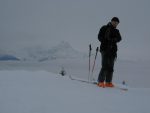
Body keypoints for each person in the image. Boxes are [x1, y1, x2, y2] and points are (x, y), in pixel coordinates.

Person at [97, 17, 122, 88]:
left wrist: (114, 39)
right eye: (115, 22)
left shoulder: (116, 31)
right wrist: (105, 40)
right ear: (111, 21)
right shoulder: (104, 28)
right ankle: (100, 81)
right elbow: (99, 37)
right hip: (104, 49)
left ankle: (108, 82)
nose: (116, 24)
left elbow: (119, 38)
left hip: (113, 51)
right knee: (105, 66)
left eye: (117, 23)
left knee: (111, 67)